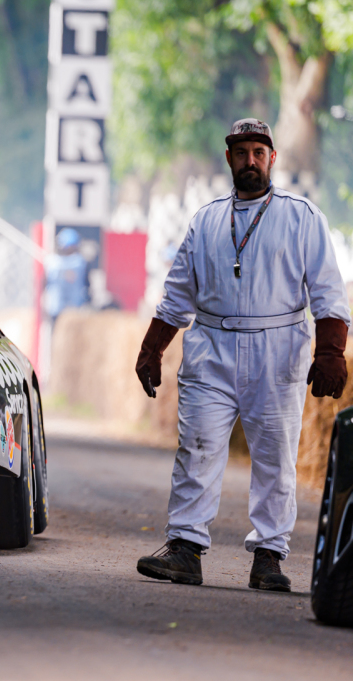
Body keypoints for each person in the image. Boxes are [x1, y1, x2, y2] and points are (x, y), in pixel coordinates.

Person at [134, 119, 350, 592]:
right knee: (198, 448)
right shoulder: (206, 219)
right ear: (228, 158)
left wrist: (331, 351)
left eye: (258, 152)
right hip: (211, 347)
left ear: (272, 158)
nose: (249, 161)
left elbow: (329, 292)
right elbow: (176, 295)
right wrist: (152, 349)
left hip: (278, 351)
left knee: (274, 457)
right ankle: (185, 549)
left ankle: (269, 557)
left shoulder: (302, 216)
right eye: (241, 152)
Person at [43, 227, 89, 323]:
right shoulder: (81, 263)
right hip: (73, 310)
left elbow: (44, 284)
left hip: (58, 310)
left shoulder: (51, 263)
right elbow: (87, 285)